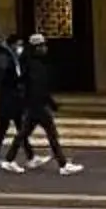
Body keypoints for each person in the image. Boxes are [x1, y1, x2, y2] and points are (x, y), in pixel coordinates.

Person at [19, 30, 82, 175]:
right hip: (38, 106)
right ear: (36, 48)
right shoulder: (35, 65)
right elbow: (38, 87)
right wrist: (50, 103)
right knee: (52, 135)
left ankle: (12, 158)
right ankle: (63, 164)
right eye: (42, 46)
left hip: (35, 106)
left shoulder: (32, 63)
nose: (45, 48)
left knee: (23, 134)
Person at [0, 29, 29, 171]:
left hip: (12, 98)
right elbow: (3, 77)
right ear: (12, 45)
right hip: (7, 99)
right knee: (8, 129)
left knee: (18, 128)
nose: (20, 48)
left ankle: (30, 156)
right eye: (18, 45)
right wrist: (17, 81)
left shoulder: (11, 56)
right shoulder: (4, 56)